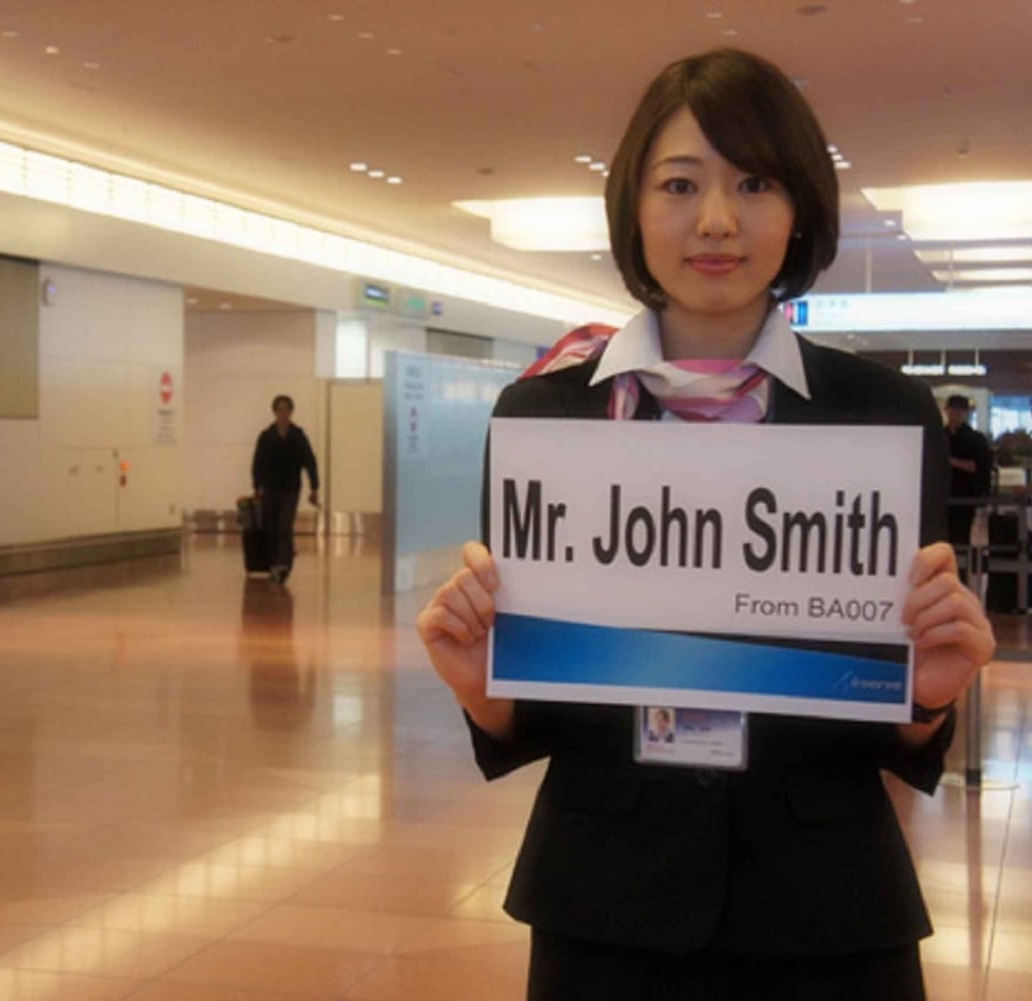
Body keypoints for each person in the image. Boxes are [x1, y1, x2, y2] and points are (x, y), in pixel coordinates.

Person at [416, 49, 995, 1000]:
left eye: (755, 183)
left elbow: (890, 713)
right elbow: (534, 711)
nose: (717, 220)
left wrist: (927, 698)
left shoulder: (881, 416)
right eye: (680, 184)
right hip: (602, 899)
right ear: (633, 209)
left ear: (799, 204)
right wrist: (482, 687)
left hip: (831, 906)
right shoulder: (546, 419)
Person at [251, 394, 319, 583]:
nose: (283, 413)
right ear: (275, 412)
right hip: (270, 489)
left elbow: (310, 462)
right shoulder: (266, 436)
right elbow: (258, 463)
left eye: (286, 410)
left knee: (284, 525)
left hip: (290, 489)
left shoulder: (298, 436)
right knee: (271, 527)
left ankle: (284, 565)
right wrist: (257, 486)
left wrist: (314, 487)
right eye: (279, 410)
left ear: (291, 412)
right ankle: (273, 564)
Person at [944, 394, 992, 552]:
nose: (955, 415)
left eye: (959, 412)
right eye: (952, 412)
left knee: (960, 538)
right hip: (942, 495)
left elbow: (977, 466)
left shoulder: (975, 439)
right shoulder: (939, 436)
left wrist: (950, 461)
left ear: (966, 414)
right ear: (946, 411)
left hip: (964, 496)